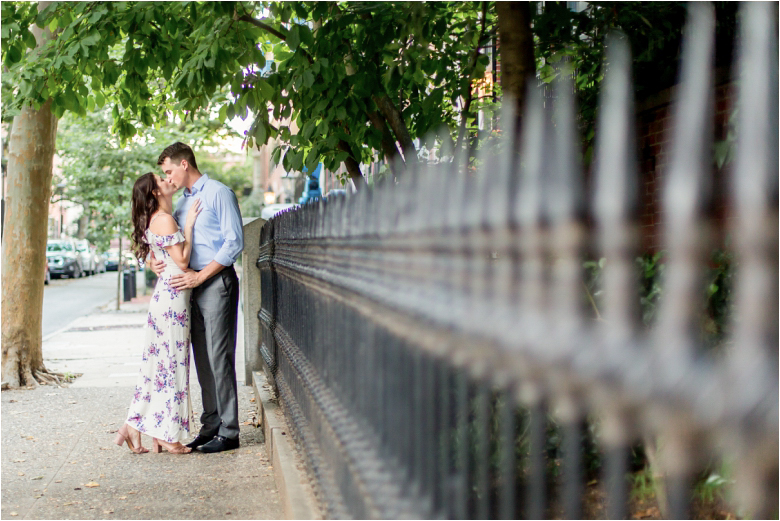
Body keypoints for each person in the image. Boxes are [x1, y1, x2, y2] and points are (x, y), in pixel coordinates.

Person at [150, 142, 244, 453]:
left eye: (168, 171)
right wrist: (151, 261)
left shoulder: (218, 192)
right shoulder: (179, 206)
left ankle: (229, 432)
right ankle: (211, 426)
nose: (168, 178)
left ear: (184, 165)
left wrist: (201, 276)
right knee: (202, 358)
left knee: (219, 356)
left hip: (215, 282)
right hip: (190, 289)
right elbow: (164, 241)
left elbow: (234, 243)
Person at [116, 172, 202, 454]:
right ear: (155, 192)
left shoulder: (159, 217)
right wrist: (188, 226)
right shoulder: (164, 219)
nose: (168, 180)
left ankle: (136, 427)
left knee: (158, 367)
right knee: (172, 366)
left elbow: (161, 257)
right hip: (172, 301)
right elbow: (183, 260)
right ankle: (166, 434)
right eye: (162, 180)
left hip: (166, 299)